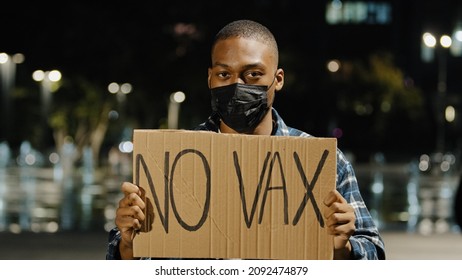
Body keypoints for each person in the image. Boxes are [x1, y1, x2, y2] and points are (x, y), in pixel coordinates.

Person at [106, 19, 386, 260]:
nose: (237, 85)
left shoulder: (323, 164)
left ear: (277, 79)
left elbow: (373, 255)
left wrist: (343, 247)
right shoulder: (168, 161)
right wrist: (129, 245)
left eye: (253, 74)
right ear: (210, 78)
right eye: (224, 74)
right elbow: (140, 262)